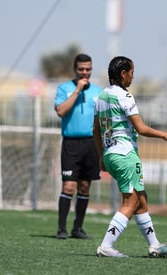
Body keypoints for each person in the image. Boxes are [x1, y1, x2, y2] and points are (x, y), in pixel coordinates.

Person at [93, 56, 167, 258]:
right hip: (125, 154)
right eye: (131, 72)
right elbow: (141, 128)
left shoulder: (101, 96)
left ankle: (154, 245)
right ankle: (106, 245)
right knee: (130, 202)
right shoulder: (125, 96)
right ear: (123, 74)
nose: (133, 77)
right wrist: (164, 134)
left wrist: (101, 157)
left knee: (141, 199)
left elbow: (95, 130)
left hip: (111, 154)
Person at [54, 53, 102, 240]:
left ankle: (78, 228)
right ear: (75, 69)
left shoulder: (98, 91)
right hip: (71, 144)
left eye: (88, 69)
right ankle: (61, 229)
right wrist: (77, 91)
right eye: (81, 69)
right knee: (68, 186)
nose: (85, 73)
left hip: (91, 144)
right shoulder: (64, 88)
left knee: (84, 186)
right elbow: (60, 111)